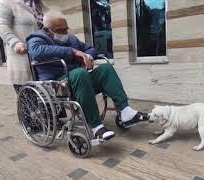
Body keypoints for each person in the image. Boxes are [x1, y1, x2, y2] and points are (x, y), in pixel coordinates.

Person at [26, 10, 148, 140]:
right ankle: (96, 127)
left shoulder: (71, 39)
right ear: (47, 30)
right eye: (60, 30)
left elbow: (91, 48)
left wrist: (87, 56)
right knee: (80, 73)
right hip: (57, 85)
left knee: (106, 68)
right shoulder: (37, 38)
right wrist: (72, 51)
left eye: (66, 29)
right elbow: (36, 52)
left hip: (81, 80)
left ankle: (125, 112)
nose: (64, 33)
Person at [0, 0, 48, 84]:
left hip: (45, 60)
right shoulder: (6, 2)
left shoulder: (40, 4)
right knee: (30, 94)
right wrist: (15, 43)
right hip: (24, 60)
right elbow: (1, 24)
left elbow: (54, 22)